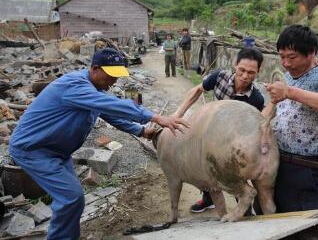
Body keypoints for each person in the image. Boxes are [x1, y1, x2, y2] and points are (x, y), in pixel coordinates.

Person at [9, 48, 189, 240]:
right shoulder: (75, 86)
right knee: (71, 197)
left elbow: (110, 115)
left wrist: (141, 130)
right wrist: (154, 116)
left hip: (57, 151)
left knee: (71, 199)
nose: (114, 81)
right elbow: (111, 105)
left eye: (117, 76)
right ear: (95, 68)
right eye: (111, 75)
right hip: (33, 149)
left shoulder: (93, 90)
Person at [263, 25, 318, 213]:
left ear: (311, 52)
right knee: (269, 215)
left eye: (291, 57)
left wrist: (290, 92)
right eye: (282, 56)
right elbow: (268, 112)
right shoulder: (286, 77)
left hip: (304, 166)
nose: (285, 63)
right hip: (276, 160)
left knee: (299, 218)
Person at [174, 47, 265, 213]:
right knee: (205, 169)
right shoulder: (220, 77)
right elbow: (197, 90)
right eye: (241, 70)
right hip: (209, 134)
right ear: (235, 65)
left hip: (233, 143)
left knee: (236, 176)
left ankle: (245, 210)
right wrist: (178, 114)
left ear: (259, 71)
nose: (245, 76)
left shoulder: (256, 99)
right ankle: (208, 199)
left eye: (251, 73)